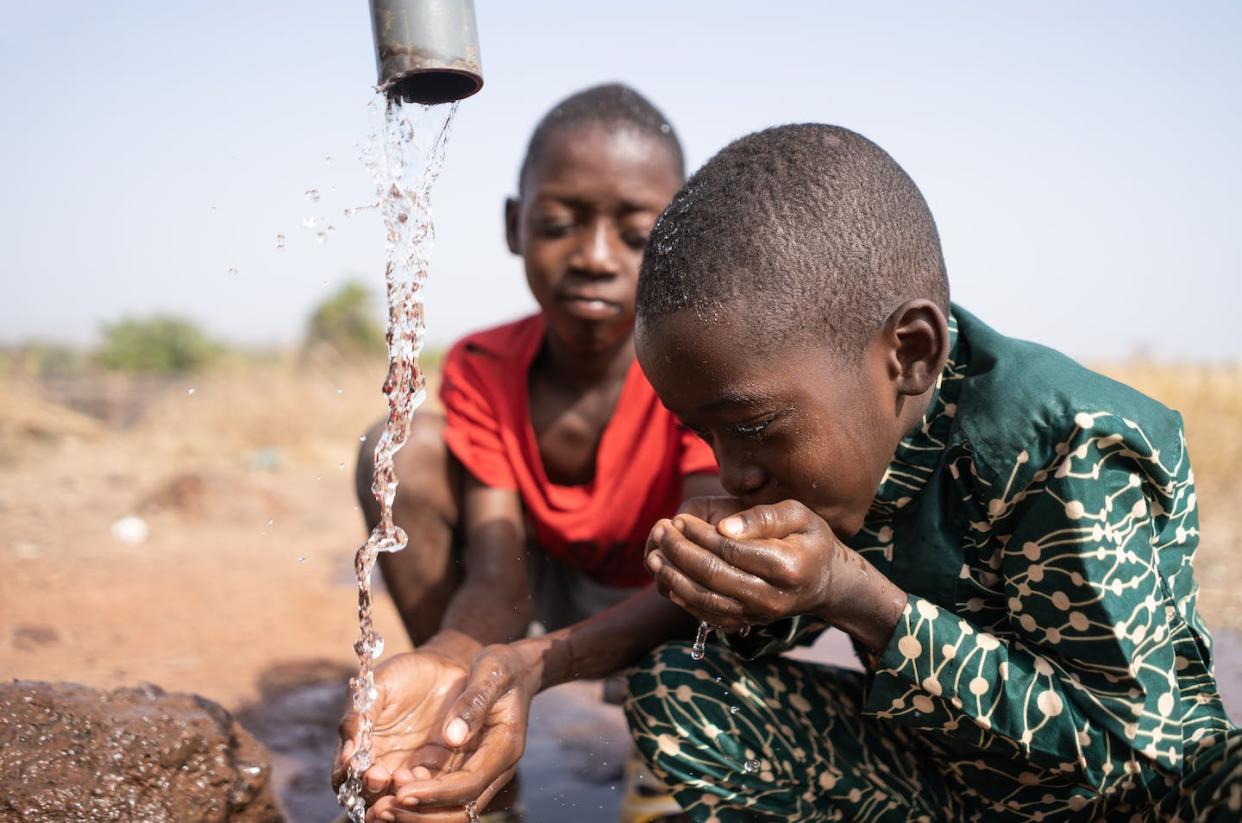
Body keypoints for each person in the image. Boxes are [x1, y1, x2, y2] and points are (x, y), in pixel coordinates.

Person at [377, 122, 1240, 822]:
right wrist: (532, 666)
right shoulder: (836, 444)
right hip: (956, 781)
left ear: (909, 351)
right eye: (705, 435)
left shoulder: (1067, 445)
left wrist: (855, 595)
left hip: (1133, 798)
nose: (736, 471)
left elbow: (1131, 758)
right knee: (681, 690)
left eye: (753, 428)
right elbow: (718, 640)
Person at [335, 84, 718, 821]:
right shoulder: (484, 365)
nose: (595, 258)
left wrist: (541, 664)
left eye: (636, 235)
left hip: (659, 601)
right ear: (515, 225)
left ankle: (673, 745)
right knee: (397, 447)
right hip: (538, 588)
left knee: (738, 550)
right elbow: (495, 568)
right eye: (559, 224)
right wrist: (455, 656)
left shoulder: (701, 367)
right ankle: (472, 740)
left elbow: (696, 577)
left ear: (679, 243)